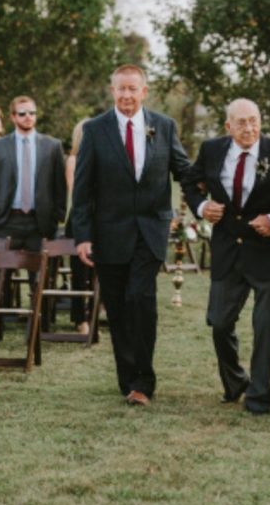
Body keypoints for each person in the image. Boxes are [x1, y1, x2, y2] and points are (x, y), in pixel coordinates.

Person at [71, 64, 190, 406]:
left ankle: (144, 381)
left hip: (150, 231)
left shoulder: (164, 126)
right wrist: (82, 236)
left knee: (141, 299)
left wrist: (210, 186)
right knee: (119, 309)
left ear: (144, 92)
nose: (126, 95)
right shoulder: (95, 129)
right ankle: (128, 379)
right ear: (113, 91)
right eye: (120, 89)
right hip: (109, 236)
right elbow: (82, 190)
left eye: (132, 89)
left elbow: (183, 169)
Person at [182, 98, 270, 415]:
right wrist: (201, 207)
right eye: (241, 122)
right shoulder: (211, 150)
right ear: (228, 126)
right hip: (227, 251)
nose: (249, 128)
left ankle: (259, 396)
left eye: (254, 121)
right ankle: (235, 381)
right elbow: (189, 183)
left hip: (269, 254)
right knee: (220, 323)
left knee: (265, 329)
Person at [0, 95, 66, 255]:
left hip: (41, 223)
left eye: (32, 113)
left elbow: (59, 186)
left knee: (41, 278)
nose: (28, 117)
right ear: (13, 117)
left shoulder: (53, 146)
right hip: (5, 221)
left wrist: (57, 216)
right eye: (22, 113)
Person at [64, 119, 92, 334]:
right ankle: (79, 317)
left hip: (101, 219)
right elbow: (76, 193)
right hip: (80, 219)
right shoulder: (74, 159)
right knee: (79, 272)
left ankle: (95, 310)